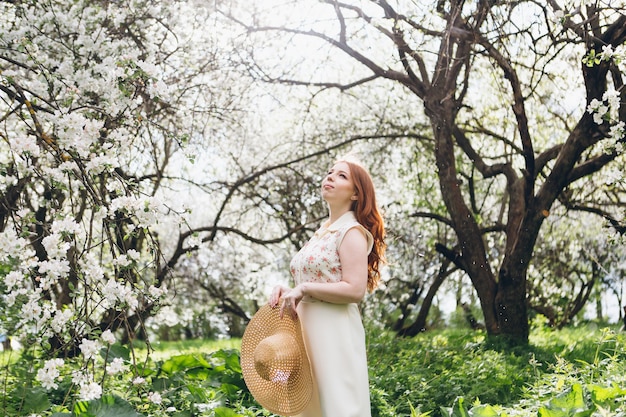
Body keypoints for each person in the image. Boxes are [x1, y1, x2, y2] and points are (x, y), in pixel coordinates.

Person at [269, 157, 386, 417]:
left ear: (356, 194)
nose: (330, 177)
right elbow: (314, 284)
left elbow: (355, 290)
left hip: (334, 335)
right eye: (330, 173)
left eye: (342, 176)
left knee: (337, 407)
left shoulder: (351, 231)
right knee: (309, 409)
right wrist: (288, 290)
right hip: (306, 334)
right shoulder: (323, 231)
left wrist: (305, 289)